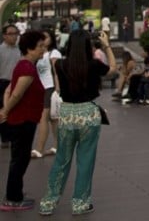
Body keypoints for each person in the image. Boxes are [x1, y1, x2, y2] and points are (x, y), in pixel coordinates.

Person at [37, 30, 115, 216]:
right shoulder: (94, 65)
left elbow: (58, 87)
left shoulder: (60, 64)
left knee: (61, 160)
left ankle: (48, 202)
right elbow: (112, 70)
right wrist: (106, 46)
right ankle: (80, 202)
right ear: (88, 46)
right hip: (88, 114)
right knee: (85, 160)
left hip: (67, 114)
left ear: (69, 45)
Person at [0, 29, 47, 211]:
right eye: (40, 46)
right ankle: (12, 199)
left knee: (19, 158)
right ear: (29, 48)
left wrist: (6, 109)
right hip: (23, 120)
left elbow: (8, 91)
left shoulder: (23, 65)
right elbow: (17, 93)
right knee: (19, 159)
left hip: (22, 119)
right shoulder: (27, 68)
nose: (43, 50)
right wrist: (6, 110)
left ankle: (15, 194)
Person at [32, 30, 60, 158]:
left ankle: (39, 149)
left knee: (44, 118)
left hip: (50, 88)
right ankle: (57, 146)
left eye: (46, 37)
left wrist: (57, 90)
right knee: (53, 119)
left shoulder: (54, 53)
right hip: (41, 88)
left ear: (52, 39)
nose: (44, 40)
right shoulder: (40, 53)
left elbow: (57, 72)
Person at [0, 25, 21, 147]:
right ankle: (5, 137)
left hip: (17, 83)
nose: (14, 36)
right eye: (11, 33)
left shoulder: (19, 49)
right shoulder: (0, 50)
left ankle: (14, 136)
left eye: (16, 33)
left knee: (15, 109)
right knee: (3, 109)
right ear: (4, 36)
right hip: (3, 83)